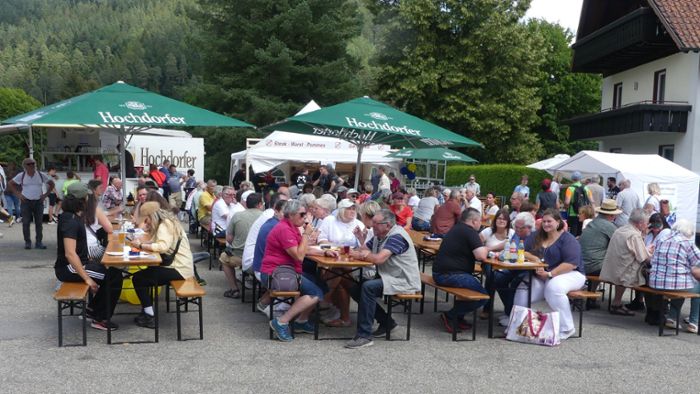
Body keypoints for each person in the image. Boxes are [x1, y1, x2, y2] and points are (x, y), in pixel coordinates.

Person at [345, 209, 421, 349]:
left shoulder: (397, 236)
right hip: (389, 277)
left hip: (404, 280)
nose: (372, 225)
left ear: (387, 225)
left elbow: (379, 259)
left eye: (376, 223)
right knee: (355, 288)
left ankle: (364, 336)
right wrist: (361, 243)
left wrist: (358, 254)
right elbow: (363, 250)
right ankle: (387, 323)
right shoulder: (379, 235)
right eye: (372, 222)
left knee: (368, 287)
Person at [54, 182, 123, 331]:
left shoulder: (73, 216)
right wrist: (87, 278)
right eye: (87, 197)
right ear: (82, 200)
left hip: (79, 263)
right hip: (68, 268)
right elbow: (70, 253)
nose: (89, 200)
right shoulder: (70, 221)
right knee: (114, 277)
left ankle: (92, 311)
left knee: (113, 274)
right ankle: (100, 318)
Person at [513, 209, 586, 339]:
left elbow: (571, 263)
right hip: (542, 275)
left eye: (549, 221)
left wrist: (550, 274)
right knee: (523, 289)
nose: (546, 224)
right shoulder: (537, 236)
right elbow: (522, 250)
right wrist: (535, 259)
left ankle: (567, 328)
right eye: (544, 221)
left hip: (571, 274)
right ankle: (516, 325)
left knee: (553, 288)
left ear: (558, 223)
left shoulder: (568, 239)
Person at [265, 200, 326, 342]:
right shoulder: (284, 229)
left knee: (322, 285)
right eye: (302, 214)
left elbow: (302, 249)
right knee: (316, 292)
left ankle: (301, 321)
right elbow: (299, 255)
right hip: (277, 274)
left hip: (287, 271)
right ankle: (281, 322)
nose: (305, 217)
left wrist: (324, 253)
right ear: (291, 215)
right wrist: (306, 234)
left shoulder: (290, 227)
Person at [128, 201, 195, 328]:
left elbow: (162, 246)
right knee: (147, 273)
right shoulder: (166, 222)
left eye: (146, 220)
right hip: (179, 265)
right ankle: (147, 310)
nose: (146, 222)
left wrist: (141, 245)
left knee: (139, 279)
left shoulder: (165, 225)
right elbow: (156, 241)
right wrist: (145, 236)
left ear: (151, 216)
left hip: (179, 268)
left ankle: (149, 315)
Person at [433, 208, 489, 333]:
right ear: (474, 221)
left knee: (470, 288)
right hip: (449, 275)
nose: (480, 223)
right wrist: (488, 248)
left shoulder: (457, 228)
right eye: (480, 220)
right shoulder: (469, 232)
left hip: (442, 273)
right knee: (483, 297)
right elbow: (481, 256)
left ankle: (458, 318)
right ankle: (450, 316)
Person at [316, 199, 365, 327]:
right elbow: (321, 240)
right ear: (342, 210)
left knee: (340, 273)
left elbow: (364, 247)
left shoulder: (359, 224)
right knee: (341, 275)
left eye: (354, 209)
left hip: (352, 262)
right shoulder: (329, 221)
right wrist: (335, 249)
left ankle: (324, 299)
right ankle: (341, 314)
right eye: (349, 208)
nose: (352, 211)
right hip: (330, 259)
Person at [648, 219, 700, 332]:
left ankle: (672, 318)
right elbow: (698, 259)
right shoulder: (687, 242)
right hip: (674, 284)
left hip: (655, 282)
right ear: (688, 232)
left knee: (679, 283)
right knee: (695, 286)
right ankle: (694, 322)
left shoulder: (661, 239)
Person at [599, 209, 652, 317]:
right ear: (640, 223)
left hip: (612, 269)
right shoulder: (634, 235)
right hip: (624, 272)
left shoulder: (620, 230)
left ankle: (619, 303)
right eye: (647, 223)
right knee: (652, 274)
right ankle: (648, 308)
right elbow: (643, 258)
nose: (647, 225)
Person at [579, 199, 621, 309]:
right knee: (624, 268)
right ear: (612, 215)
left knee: (599, 262)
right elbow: (621, 246)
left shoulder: (592, 223)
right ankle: (617, 303)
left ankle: (591, 297)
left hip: (582, 264)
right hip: (594, 266)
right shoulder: (609, 226)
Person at [222, 193, 263, 299]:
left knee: (223, 258)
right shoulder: (265, 217)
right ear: (259, 204)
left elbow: (229, 238)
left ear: (246, 204)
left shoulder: (237, 215)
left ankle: (234, 289)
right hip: (261, 257)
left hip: (240, 256)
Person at [8, 158, 55, 249]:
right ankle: (27, 242)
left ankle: (39, 242)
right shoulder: (21, 175)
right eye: (29, 164)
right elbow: (10, 183)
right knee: (25, 223)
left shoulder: (41, 175)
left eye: (33, 163)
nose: (32, 165)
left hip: (38, 201)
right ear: (25, 166)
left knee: (39, 223)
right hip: (26, 202)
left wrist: (45, 195)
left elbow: (52, 184)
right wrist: (18, 195)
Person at [564, 171, 593, 237]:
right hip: (584, 213)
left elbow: (567, 202)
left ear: (572, 179)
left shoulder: (570, 188)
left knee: (572, 233)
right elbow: (592, 201)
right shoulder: (586, 188)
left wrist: (566, 208)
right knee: (581, 233)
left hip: (572, 213)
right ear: (580, 179)